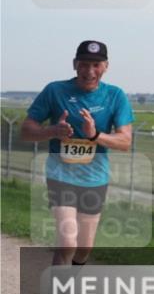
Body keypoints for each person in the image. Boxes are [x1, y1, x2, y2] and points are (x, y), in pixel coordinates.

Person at [20, 40, 134, 265]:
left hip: (95, 179)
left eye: (96, 65)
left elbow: (125, 141)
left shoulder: (115, 95)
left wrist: (94, 135)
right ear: (75, 65)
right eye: (83, 64)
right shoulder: (55, 90)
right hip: (60, 176)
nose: (89, 71)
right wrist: (53, 130)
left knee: (84, 248)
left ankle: (71, 277)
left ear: (106, 66)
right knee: (67, 242)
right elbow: (26, 131)